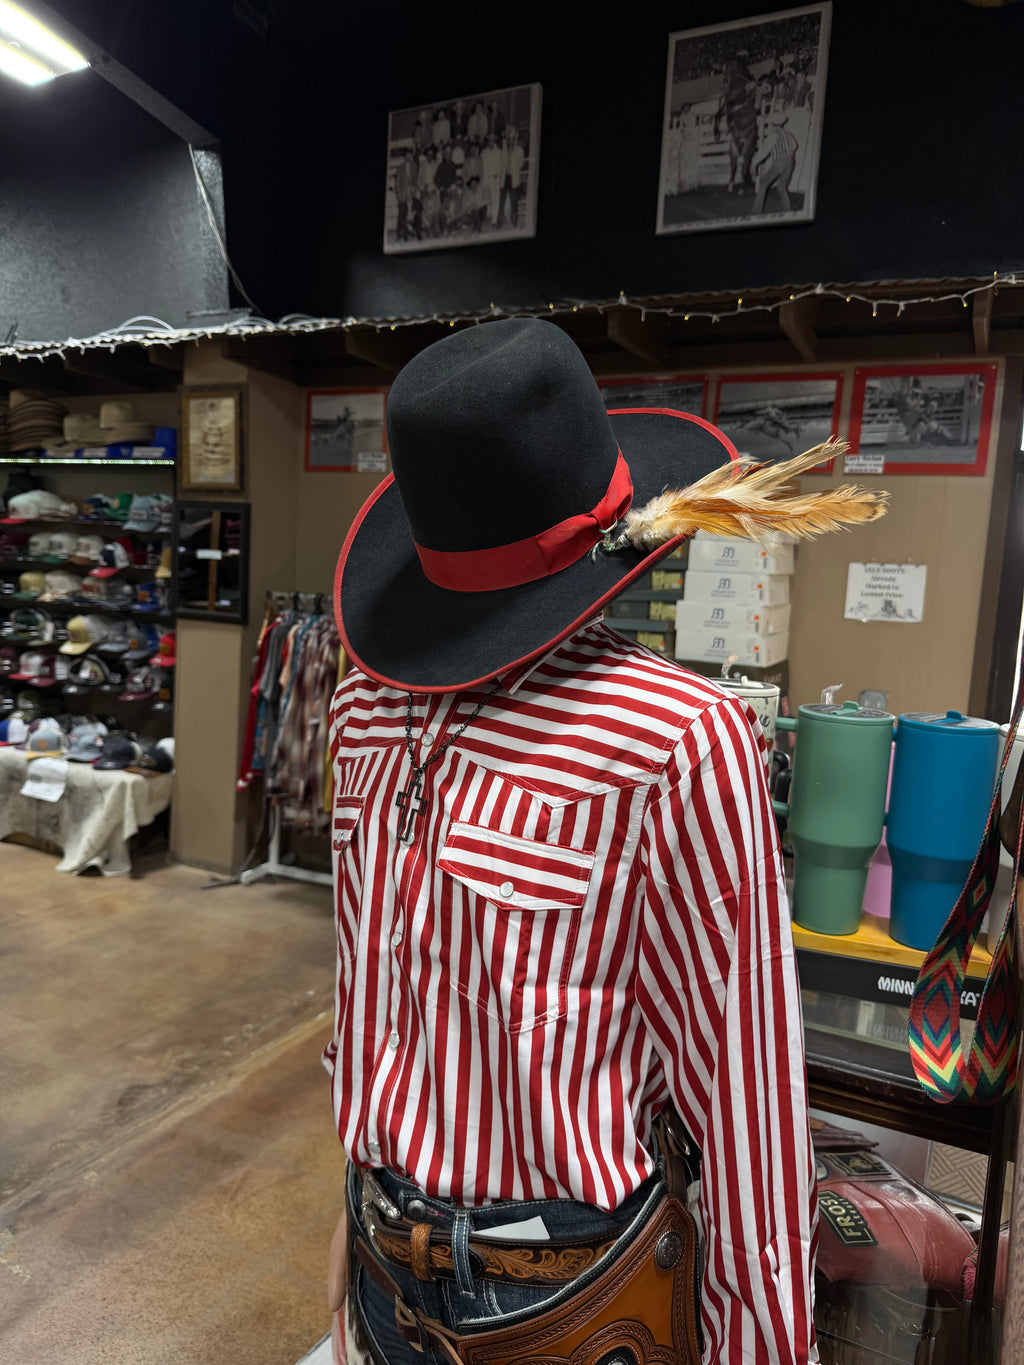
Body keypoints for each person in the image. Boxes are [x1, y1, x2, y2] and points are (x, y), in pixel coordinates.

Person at [323, 319, 886, 1365]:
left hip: (565, 1297)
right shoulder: (366, 710)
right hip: (379, 1262)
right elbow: (365, 989)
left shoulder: (678, 743)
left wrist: (758, 1347)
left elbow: (743, 1091)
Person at [751, 112, 799, 214]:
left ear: (772, 124)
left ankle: (755, 212)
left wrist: (754, 163)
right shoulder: (788, 133)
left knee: (763, 185)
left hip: (779, 162)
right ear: (782, 123)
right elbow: (794, 146)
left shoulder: (773, 135)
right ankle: (787, 211)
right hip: (790, 161)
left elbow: (764, 151)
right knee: (782, 188)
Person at [497, 125, 524, 228]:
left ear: (515, 139)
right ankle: (500, 221)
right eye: (509, 140)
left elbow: (521, 164)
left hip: (514, 178)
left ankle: (514, 219)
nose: (510, 142)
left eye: (512, 139)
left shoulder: (519, 150)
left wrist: (514, 167)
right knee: (501, 200)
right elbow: (500, 163)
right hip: (505, 178)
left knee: (514, 200)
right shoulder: (503, 150)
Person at [479, 132, 503, 226]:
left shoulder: (499, 152)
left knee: (495, 199)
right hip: (485, 178)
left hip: (494, 178)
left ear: (495, 140)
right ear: (487, 141)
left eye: (492, 140)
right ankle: (488, 215)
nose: (490, 142)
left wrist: (499, 177)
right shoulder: (483, 152)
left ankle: (494, 219)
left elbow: (501, 166)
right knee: (487, 199)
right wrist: (482, 178)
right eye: (489, 140)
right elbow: (481, 166)